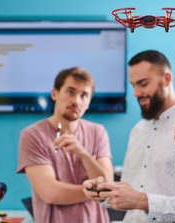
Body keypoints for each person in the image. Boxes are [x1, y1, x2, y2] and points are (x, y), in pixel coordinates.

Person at [83, 50, 175, 222]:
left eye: (143, 83)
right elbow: (129, 195)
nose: (136, 93)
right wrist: (103, 193)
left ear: (167, 79)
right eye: (133, 85)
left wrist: (143, 201)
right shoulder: (138, 130)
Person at [16, 67, 114, 223]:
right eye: (70, 92)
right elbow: (51, 193)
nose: (76, 101)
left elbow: (108, 186)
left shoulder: (97, 132)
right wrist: (96, 190)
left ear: (89, 102)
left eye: (84, 95)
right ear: (55, 93)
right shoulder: (33, 135)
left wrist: (84, 154)